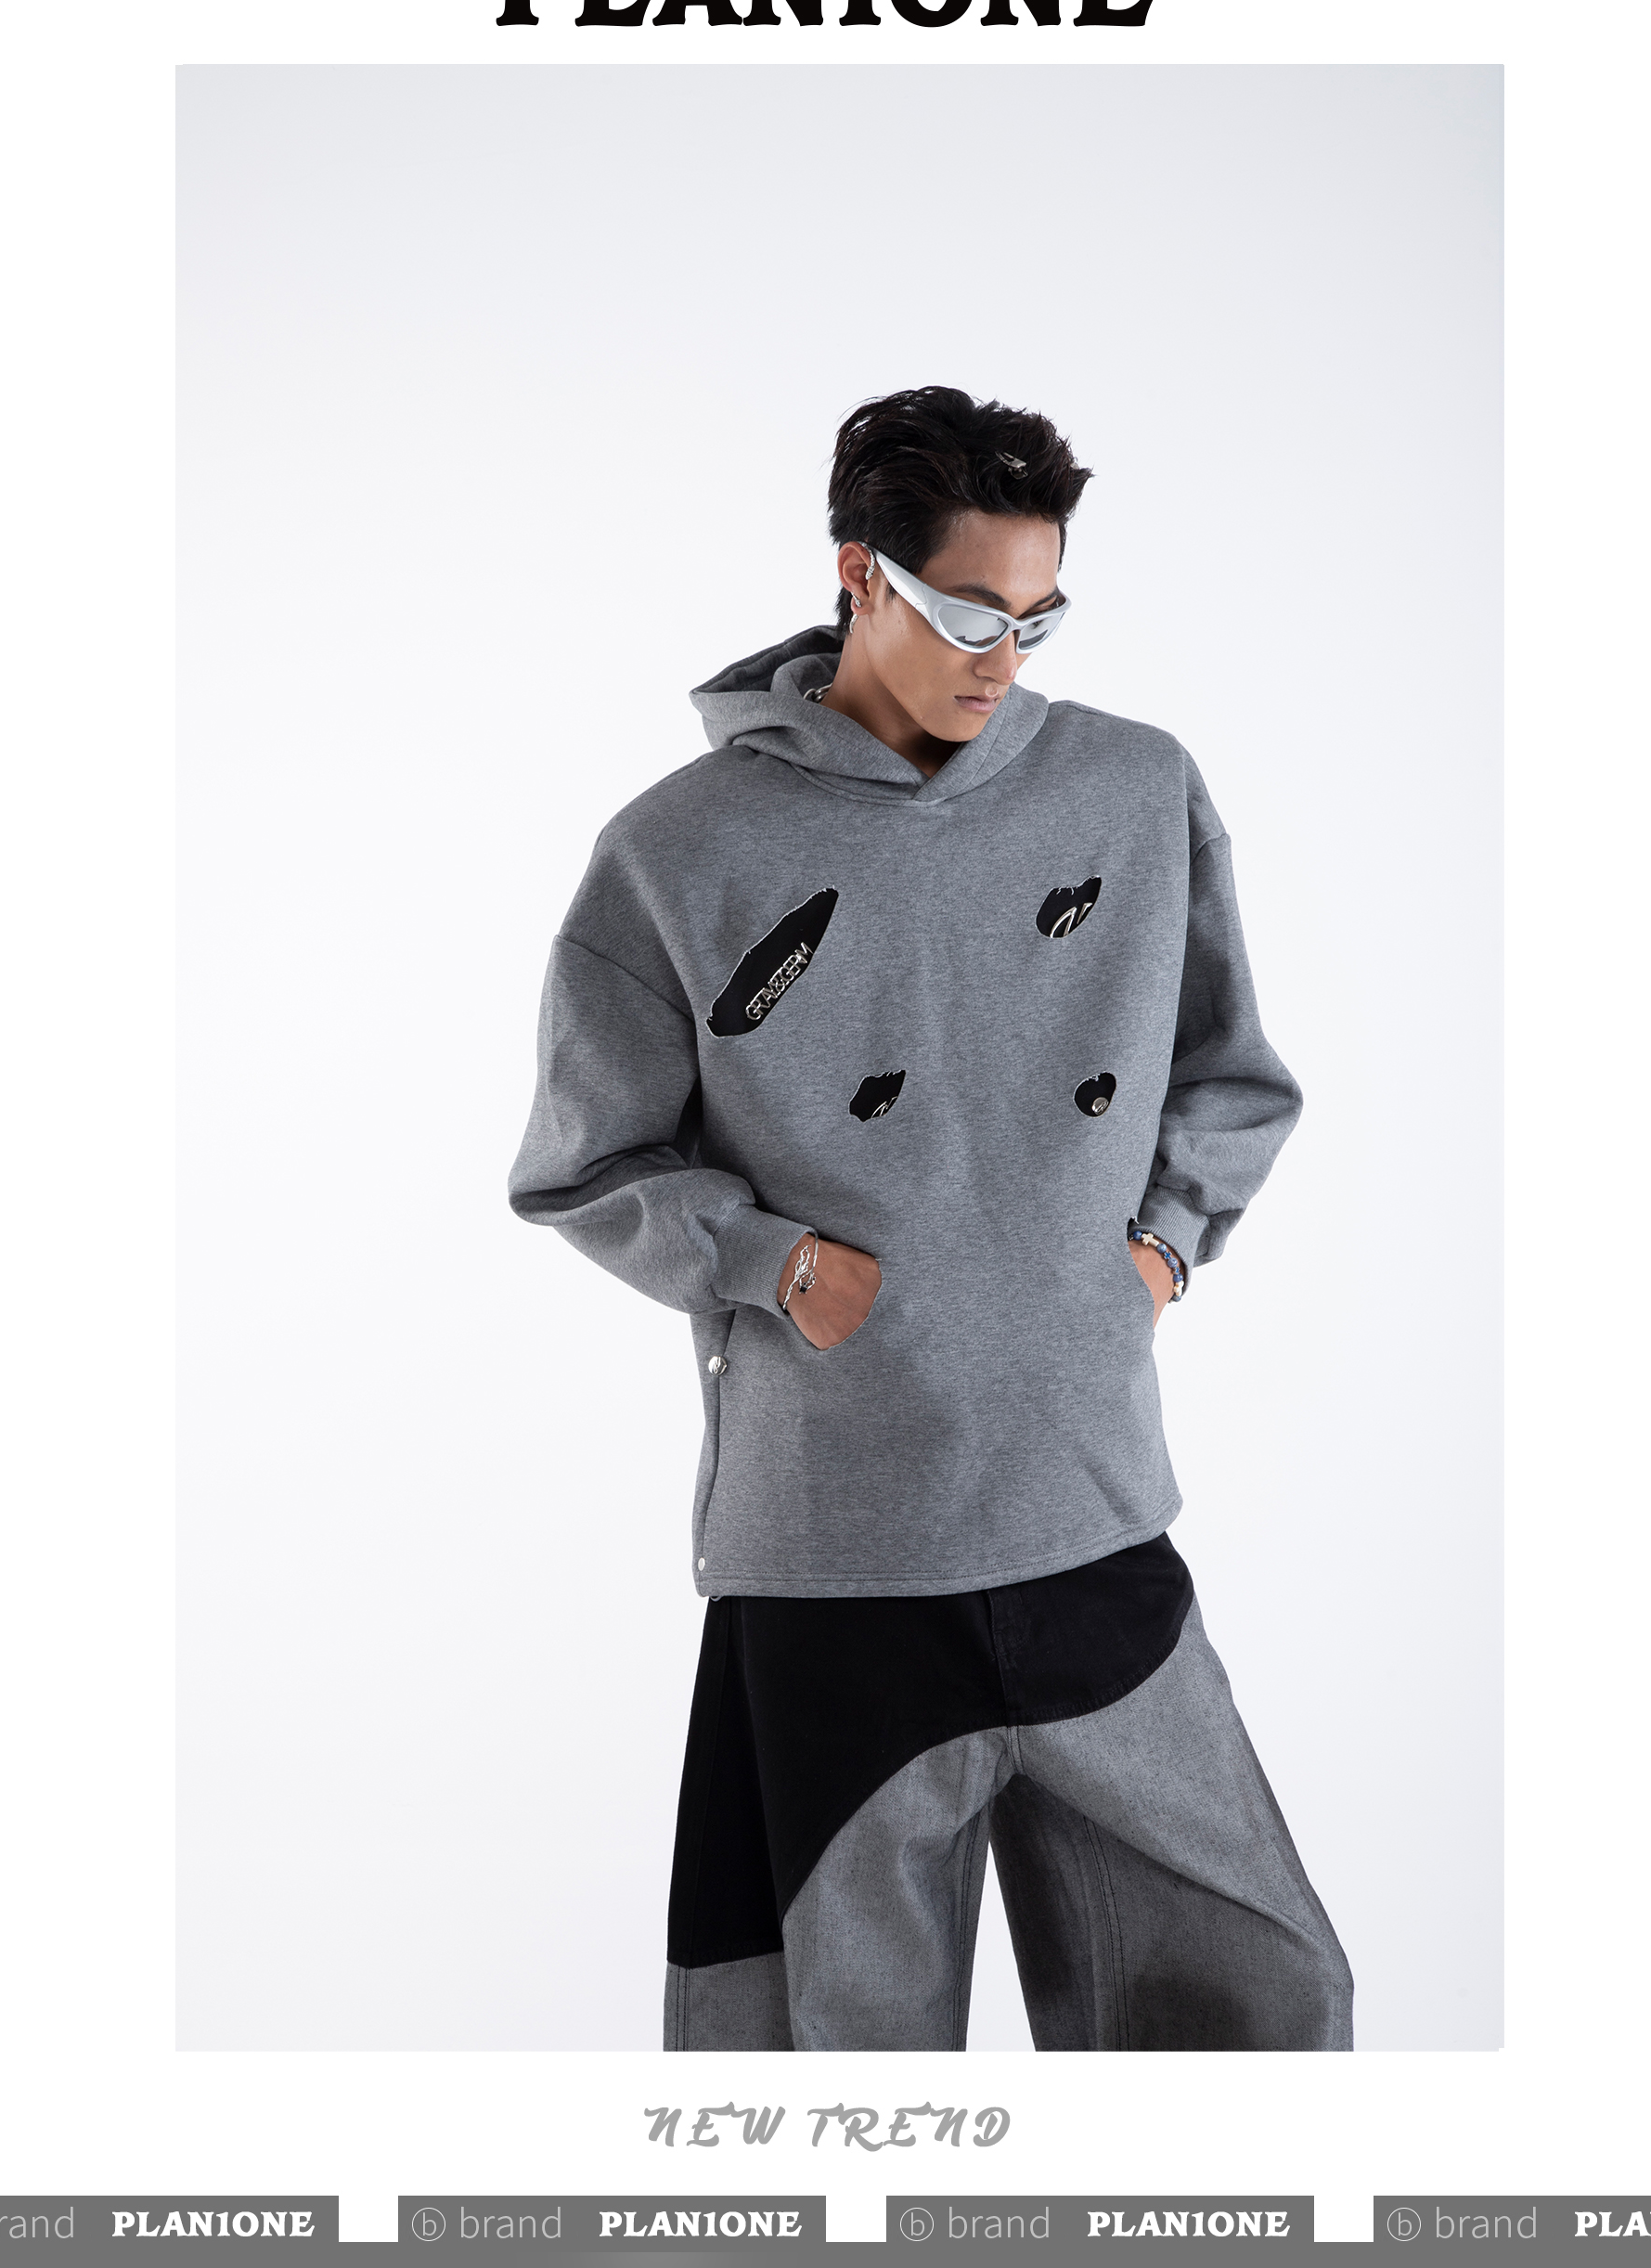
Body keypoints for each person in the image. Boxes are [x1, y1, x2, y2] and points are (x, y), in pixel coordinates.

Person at [508, 386, 1352, 2053]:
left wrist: (1164, 1246)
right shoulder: (677, 852)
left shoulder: (1134, 789)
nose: (1003, 658)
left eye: (1038, 618)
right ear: (860, 574)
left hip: (1090, 1513)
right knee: (836, 2075)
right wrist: (776, 1267)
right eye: (971, 614)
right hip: (834, 1555)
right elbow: (583, 1163)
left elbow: (1230, 1074)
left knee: (1265, 2003)